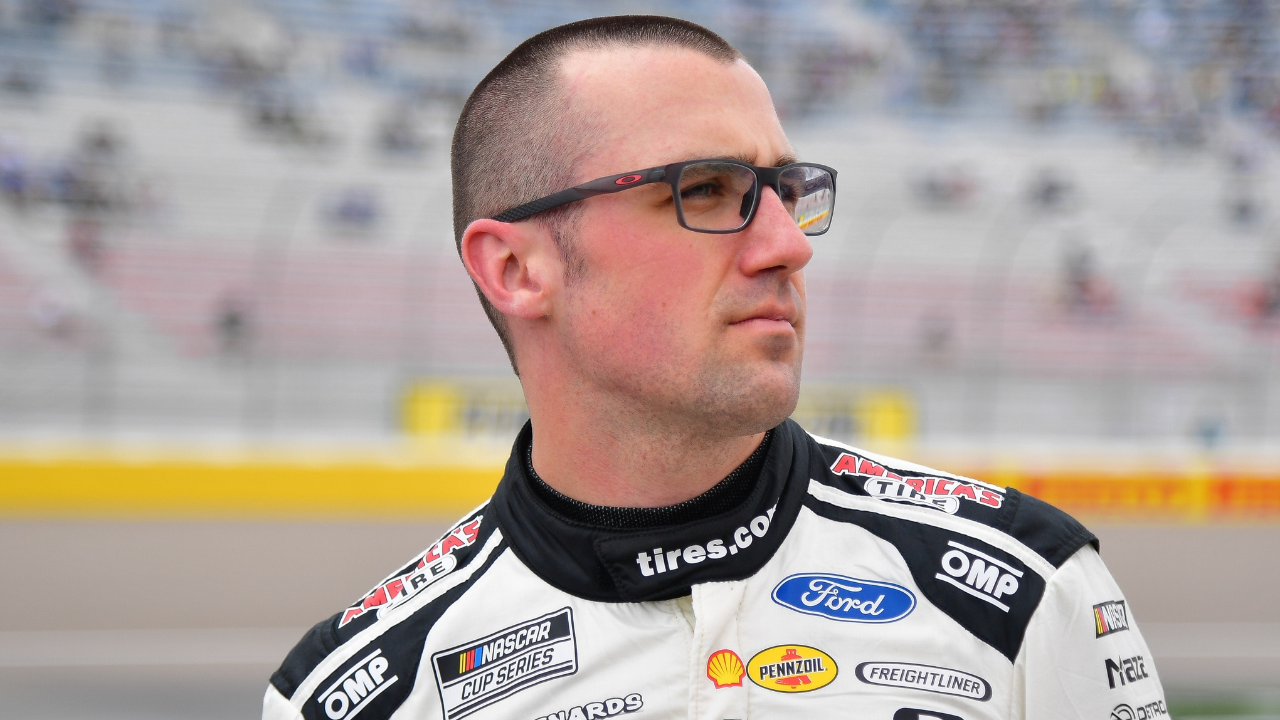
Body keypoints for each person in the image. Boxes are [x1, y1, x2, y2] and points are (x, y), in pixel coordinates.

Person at [264, 16, 1164, 720]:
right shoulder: (367, 695)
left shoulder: (1024, 591)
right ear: (516, 269)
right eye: (704, 190)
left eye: (787, 193)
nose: (786, 247)